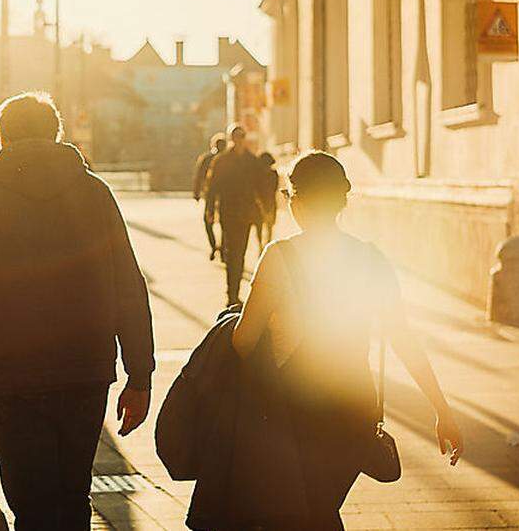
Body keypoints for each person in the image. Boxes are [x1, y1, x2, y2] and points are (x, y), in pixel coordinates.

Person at [0, 92, 155, 530]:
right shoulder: (94, 192)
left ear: (0, 138)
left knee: (32, 503)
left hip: (10, 376)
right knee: (72, 496)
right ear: (56, 135)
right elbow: (128, 287)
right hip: (83, 369)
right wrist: (140, 375)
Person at [196, 151, 463, 529]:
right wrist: (442, 410)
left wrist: (237, 323)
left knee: (302, 514)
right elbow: (403, 337)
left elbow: (243, 342)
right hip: (355, 410)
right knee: (318, 509)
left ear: (296, 202)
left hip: (293, 411)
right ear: (341, 201)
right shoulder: (372, 259)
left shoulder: (279, 256)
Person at [206, 124, 262, 306]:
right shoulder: (222, 161)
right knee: (232, 253)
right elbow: (212, 186)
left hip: (245, 213)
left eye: (241, 136)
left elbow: (259, 186)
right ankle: (231, 294)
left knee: (240, 252)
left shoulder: (252, 161)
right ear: (232, 139)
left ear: (244, 138)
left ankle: (234, 292)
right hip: (228, 212)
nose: (239, 140)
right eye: (236, 137)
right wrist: (210, 209)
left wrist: (265, 209)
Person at [193, 133, 226, 261]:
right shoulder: (223, 159)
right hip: (220, 195)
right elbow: (199, 176)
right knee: (223, 223)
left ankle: (215, 246)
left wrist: (196, 193)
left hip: (212, 195)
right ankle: (221, 248)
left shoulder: (206, 158)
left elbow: (198, 177)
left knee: (209, 222)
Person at [254, 151, 279, 250]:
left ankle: (261, 245)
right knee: (268, 226)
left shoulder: (257, 175)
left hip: (260, 202)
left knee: (259, 225)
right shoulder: (274, 173)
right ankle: (266, 244)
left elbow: (255, 189)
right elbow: (274, 189)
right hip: (270, 202)